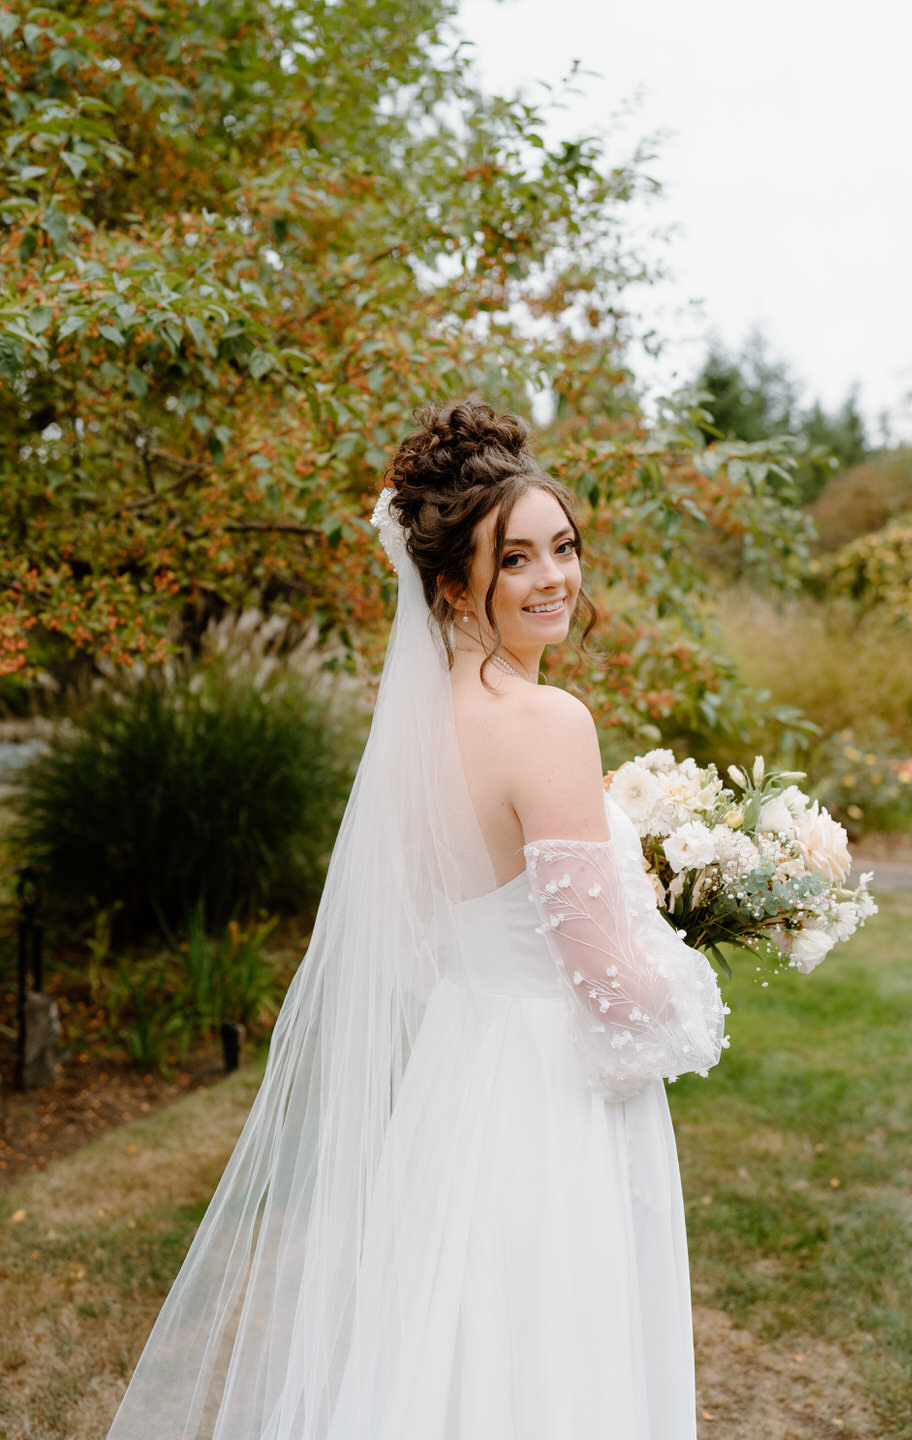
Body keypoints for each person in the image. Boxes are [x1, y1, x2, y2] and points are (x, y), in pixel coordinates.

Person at [106, 401, 725, 1440]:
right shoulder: (548, 723)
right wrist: (690, 973)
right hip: (548, 1093)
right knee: (545, 1357)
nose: (554, 579)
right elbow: (607, 988)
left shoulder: (417, 730)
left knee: (449, 1344)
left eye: (563, 549)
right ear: (452, 584)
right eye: (516, 560)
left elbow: (438, 932)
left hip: (459, 1071)